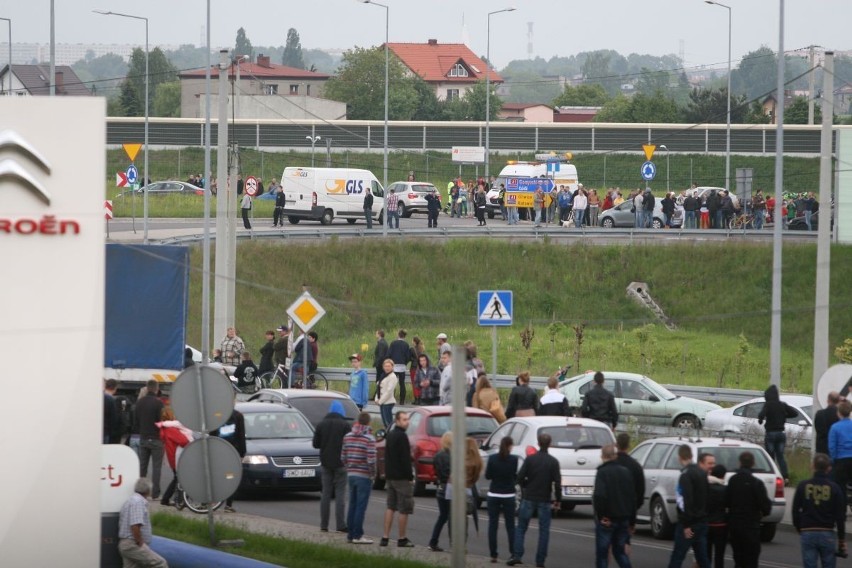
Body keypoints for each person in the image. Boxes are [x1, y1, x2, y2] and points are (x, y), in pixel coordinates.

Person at [508, 433, 561, 567]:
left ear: (538, 443)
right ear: (549, 444)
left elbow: (519, 478)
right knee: (544, 531)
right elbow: (557, 483)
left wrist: (527, 483)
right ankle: (540, 560)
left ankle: (517, 554)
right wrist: (558, 500)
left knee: (521, 527)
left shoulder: (530, 460)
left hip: (529, 497)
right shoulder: (553, 462)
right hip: (544, 498)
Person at [793, 453, 847, 568]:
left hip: (807, 531)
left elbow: (795, 510)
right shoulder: (835, 488)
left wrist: (799, 528)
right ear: (829, 468)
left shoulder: (803, 486)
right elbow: (840, 516)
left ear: (812, 466)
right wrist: (841, 540)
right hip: (827, 531)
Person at [666, 445, 709, 568]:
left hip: (690, 523)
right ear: (691, 455)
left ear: (680, 457)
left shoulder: (685, 475)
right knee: (702, 558)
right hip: (702, 521)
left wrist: (686, 524)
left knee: (677, 556)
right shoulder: (702, 473)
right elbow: (707, 497)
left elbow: (685, 501)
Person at [726, 451, 772, 568]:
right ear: (753, 463)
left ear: (740, 462)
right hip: (751, 526)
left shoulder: (733, 481)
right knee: (751, 559)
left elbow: (727, 501)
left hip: (735, 525)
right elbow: (766, 507)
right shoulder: (756, 483)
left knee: (738, 558)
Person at [313, 400, 352, 533]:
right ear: (341, 411)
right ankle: (341, 525)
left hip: (325, 463)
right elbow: (349, 444)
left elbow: (315, 444)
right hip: (341, 464)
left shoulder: (321, 424)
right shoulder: (345, 425)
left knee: (326, 494)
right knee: (340, 494)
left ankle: (324, 525)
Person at [593, 444, 635, 568]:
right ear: (615, 456)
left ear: (603, 456)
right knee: (620, 552)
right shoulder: (626, 472)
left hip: (608, 519)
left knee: (602, 554)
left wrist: (602, 516)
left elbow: (600, 496)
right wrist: (632, 520)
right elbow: (632, 497)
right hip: (623, 518)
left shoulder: (602, 472)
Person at [381, 411, 416, 548]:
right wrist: (410, 477)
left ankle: (385, 537)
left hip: (390, 476)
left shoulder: (390, 435)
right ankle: (402, 538)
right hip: (401, 477)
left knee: (390, 507)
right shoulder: (402, 437)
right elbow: (405, 460)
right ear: (397, 421)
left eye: (407, 419)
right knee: (404, 508)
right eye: (404, 419)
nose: (407, 422)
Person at [342, 412, 377, 545]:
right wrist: (372, 474)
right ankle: (358, 535)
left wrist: (349, 467)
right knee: (361, 507)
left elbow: (343, 457)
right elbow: (371, 460)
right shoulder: (369, 439)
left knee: (352, 504)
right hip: (364, 475)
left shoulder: (347, 437)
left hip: (351, 474)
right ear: (368, 423)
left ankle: (350, 534)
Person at [117, 478, 169, 568]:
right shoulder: (138, 502)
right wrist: (140, 542)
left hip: (125, 544)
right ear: (148, 491)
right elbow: (135, 525)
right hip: (133, 544)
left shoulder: (130, 501)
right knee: (160, 564)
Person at [486, 436, 518, 563]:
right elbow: (514, 475)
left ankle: (493, 554)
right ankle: (512, 553)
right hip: (508, 494)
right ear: (510, 446)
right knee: (510, 526)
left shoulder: (493, 458)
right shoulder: (513, 460)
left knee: (493, 525)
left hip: (494, 493)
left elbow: (488, 476)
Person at [758, 384, 798, 483]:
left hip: (771, 433)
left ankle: (772, 477)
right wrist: (783, 416)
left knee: (770, 457)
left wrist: (761, 419)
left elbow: (761, 415)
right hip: (781, 434)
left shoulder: (768, 405)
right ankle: (785, 477)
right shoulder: (782, 404)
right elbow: (795, 413)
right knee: (780, 456)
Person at [212, 406, 246, 512]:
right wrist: (242, 453)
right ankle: (228, 505)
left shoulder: (216, 415)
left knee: (214, 476)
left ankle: (207, 502)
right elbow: (241, 435)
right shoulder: (238, 415)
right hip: (232, 451)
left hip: (218, 450)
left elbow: (211, 434)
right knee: (230, 476)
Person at [157, 406, 192, 508]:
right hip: (176, 456)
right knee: (179, 478)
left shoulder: (167, 427)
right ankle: (177, 500)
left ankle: (169, 499)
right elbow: (183, 441)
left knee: (177, 478)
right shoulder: (171, 429)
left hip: (171, 455)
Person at [135, 379, 165, 500]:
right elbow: (161, 421)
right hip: (157, 439)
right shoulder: (159, 403)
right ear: (156, 389)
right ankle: (155, 493)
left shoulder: (139, 402)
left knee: (143, 466)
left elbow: (135, 421)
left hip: (143, 437)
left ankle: (140, 492)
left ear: (147, 388)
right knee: (156, 467)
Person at [614, 433, 645, 545]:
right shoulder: (635, 466)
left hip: (610, 512)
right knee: (624, 544)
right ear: (628, 446)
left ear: (616, 445)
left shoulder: (610, 464)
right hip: (627, 511)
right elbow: (640, 492)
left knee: (607, 545)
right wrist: (634, 511)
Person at [429, 431, 453, 552]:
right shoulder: (453, 456)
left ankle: (433, 541)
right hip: (450, 487)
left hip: (440, 487)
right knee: (452, 517)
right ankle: (454, 543)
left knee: (442, 516)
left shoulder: (438, 455)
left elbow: (436, 470)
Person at [706, 463, 728, 568]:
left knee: (706, 554)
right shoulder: (725, 489)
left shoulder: (705, 487)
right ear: (723, 476)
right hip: (721, 525)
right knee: (719, 555)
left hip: (706, 524)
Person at [828, 400, 852, 494]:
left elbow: (832, 447)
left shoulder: (835, 427)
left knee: (839, 486)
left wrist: (833, 460)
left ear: (839, 413)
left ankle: (841, 506)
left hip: (841, 460)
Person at [387, 329, 411, 405]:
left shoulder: (393, 343)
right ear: (404, 336)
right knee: (402, 384)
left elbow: (389, 354)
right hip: (402, 367)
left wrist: (390, 362)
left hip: (394, 366)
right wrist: (405, 363)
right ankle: (402, 401)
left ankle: (391, 399)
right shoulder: (406, 344)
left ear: (398, 335)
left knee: (392, 383)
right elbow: (408, 356)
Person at [815, 391, 841, 456]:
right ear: (838, 401)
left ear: (828, 400)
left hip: (821, 448)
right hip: (836, 448)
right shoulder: (840, 415)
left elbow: (817, 429)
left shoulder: (819, 414)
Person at [376, 359, 398, 428]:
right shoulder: (383, 375)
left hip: (388, 402)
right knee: (385, 423)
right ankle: (387, 436)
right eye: (385, 366)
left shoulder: (393, 376)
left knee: (388, 423)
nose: (387, 368)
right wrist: (376, 398)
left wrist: (380, 401)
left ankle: (391, 436)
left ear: (392, 367)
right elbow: (379, 388)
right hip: (382, 402)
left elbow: (389, 391)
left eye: (389, 366)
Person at [104, 378, 119, 444]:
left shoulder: (97, 397)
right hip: (105, 432)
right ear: (115, 388)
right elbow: (113, 418)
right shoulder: (111, 399)